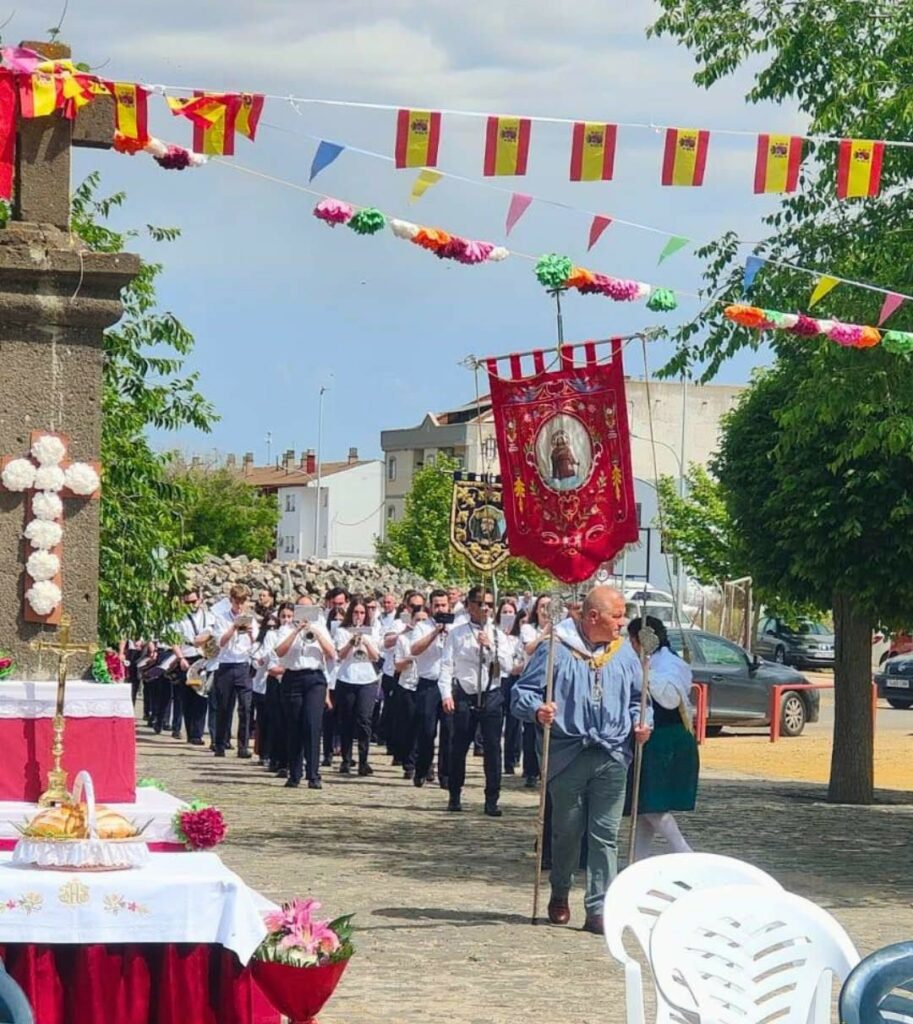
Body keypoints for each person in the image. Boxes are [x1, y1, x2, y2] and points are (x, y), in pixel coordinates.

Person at [512, 586, 652, 934]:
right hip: (567, 754)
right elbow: (521, 693)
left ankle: (599, 907)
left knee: (605, 833)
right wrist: (538, 709)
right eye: (616, 616)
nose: (623, 623)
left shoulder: (625, 653)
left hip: (613, 753)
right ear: (593, 617)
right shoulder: (556, 649)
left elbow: (639, 699)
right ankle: (560, 892)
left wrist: (641, 722)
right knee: (567, 831)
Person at [626, 616, 698, 859]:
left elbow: (669, 698)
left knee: (651, 804)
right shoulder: (653, 662)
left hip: (665, 739)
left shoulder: (670, 663)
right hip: (654, 739)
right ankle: (638, 860)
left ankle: (685, 853)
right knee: (644, 806)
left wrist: (645, 672)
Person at [440, 586, 514, 816]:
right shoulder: (457, 633)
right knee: (459, 747)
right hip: (465, 692)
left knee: (492, 749)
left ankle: (492, 799)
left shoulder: (498, 634)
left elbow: (508, 666)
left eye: (489, 604)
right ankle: (454, 794)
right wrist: (446, 694)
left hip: (491, 693)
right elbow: (446, 665)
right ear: (469, 606)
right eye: (480, 603)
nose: (485, 608)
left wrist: (490, 646)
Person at [274, 600, 336, 789]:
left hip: (315, 678)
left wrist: (315, 632)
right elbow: (279, 652)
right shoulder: (285, 628)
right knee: (294, 725)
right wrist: (296, 631)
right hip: (292, 677)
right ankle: (294, 773)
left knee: (312, 724)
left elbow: (331, 653)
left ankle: (313, 774)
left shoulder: (320, 626)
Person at [333, 596, 382, 776]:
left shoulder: (372, 631)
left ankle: (363, 760)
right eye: (355, 612)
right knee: (346, 720)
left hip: (367, 679)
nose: (359, 616)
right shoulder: (342, 631)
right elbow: (340, 656)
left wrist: (366, 641)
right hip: (347, 678)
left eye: (362, 613)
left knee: (364, 720)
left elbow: (376, 657)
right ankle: (346, 759)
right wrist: (351, 642)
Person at [408, 589, 452, 789]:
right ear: (430, 606)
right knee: (426, 730)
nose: (440, 609)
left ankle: (446, 774)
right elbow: (414, 649)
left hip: (449, 684)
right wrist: (435, 633)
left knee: (449, 731)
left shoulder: (457, 626)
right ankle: (422, 768)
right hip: (428, 683)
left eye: (443, 605)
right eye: (437, 605)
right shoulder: (422, 626)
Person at [212, 584, 258, 759]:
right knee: (224, 707)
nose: (240, 605)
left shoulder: (251, 620)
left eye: (243, 601)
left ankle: (243, 746)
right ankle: (220, 743)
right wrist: (233, 627)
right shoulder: (222, 618)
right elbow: (220, 643)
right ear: (231, 600)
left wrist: (251, 634)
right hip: (226, 665)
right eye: (237, 601)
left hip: (243, 665)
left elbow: (256, 646)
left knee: (245, 707)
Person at [169, 587, 217, 746]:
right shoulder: (179, 618)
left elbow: (214, 634)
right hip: (187, 657)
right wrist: (180, 658)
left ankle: (197, 733)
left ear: (200, 600)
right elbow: (174, 640)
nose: (191, 605)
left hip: (204, 657)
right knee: (187, 696)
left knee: (202, 695)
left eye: (193, 601)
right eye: (187, 602)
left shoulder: (209, 617)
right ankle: (190, 731)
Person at [519, 595, 553, 788]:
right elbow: (529, 649)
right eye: (542, 606)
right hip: (533, 682)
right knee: (531, 729)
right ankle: (530, 770)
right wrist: (545, 633)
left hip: (551, 681)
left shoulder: (561, 629)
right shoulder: (528, 629)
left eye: (549, 606)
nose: (545, 610)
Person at [392, 600, 425, 779]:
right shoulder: (403, 639)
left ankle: (425, 763)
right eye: (417, 620)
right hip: (408, 684)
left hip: (426, 685)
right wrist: (410, 658)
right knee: (409, 726)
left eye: (423, 620)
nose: (420, 623)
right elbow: (397, 666)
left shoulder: (433, 638)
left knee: (426, 727)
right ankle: (409, 763)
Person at [496, 597, 525, 775]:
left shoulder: (519, 636)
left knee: (514, 722)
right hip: (499, 679)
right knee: (497, 721)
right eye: (504, 612)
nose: (507, 615)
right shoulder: (494, 634)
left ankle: (511, 759)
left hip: (515, 679)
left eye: (511, 612)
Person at [321, 587, 349, 767]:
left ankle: (344, 752)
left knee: (344, 717)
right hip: (330, 677)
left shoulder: (350, 629)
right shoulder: (325, 628)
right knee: (329, 717)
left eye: (341, 604)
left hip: (345, 677)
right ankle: (327, 753)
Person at [251, 608, 282, 766]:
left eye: (274, 627)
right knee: (262, 721)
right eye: (268, 627)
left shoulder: (280, 639)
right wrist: (263, 659)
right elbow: (255, 663)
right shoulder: (259, 644)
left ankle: (272, 753)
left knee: (274, 721)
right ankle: (263, 753)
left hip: (275, 685)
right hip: (260, 686)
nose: (271, 630)